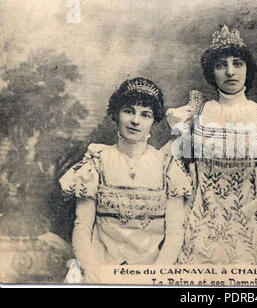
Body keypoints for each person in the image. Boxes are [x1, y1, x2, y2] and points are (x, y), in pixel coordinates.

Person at [167, 25, 257, 265]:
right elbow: (172, 162)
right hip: (197, 230)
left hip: (249, 231)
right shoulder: (195, 113)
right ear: (212, 71)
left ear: (247, 68)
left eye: (237, 63)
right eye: (221, 65)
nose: (230, 72)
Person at [60, 78, 192, 283]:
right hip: (101, 270)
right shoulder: (97, 161)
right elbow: (82, 226)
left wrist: (157, 275)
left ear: (153, 121)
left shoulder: (167, 165)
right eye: (129, 111)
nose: (135, 121)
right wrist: (93, 271)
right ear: (116, 114)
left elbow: (175, 231)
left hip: (152, 273)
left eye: (145, 115)